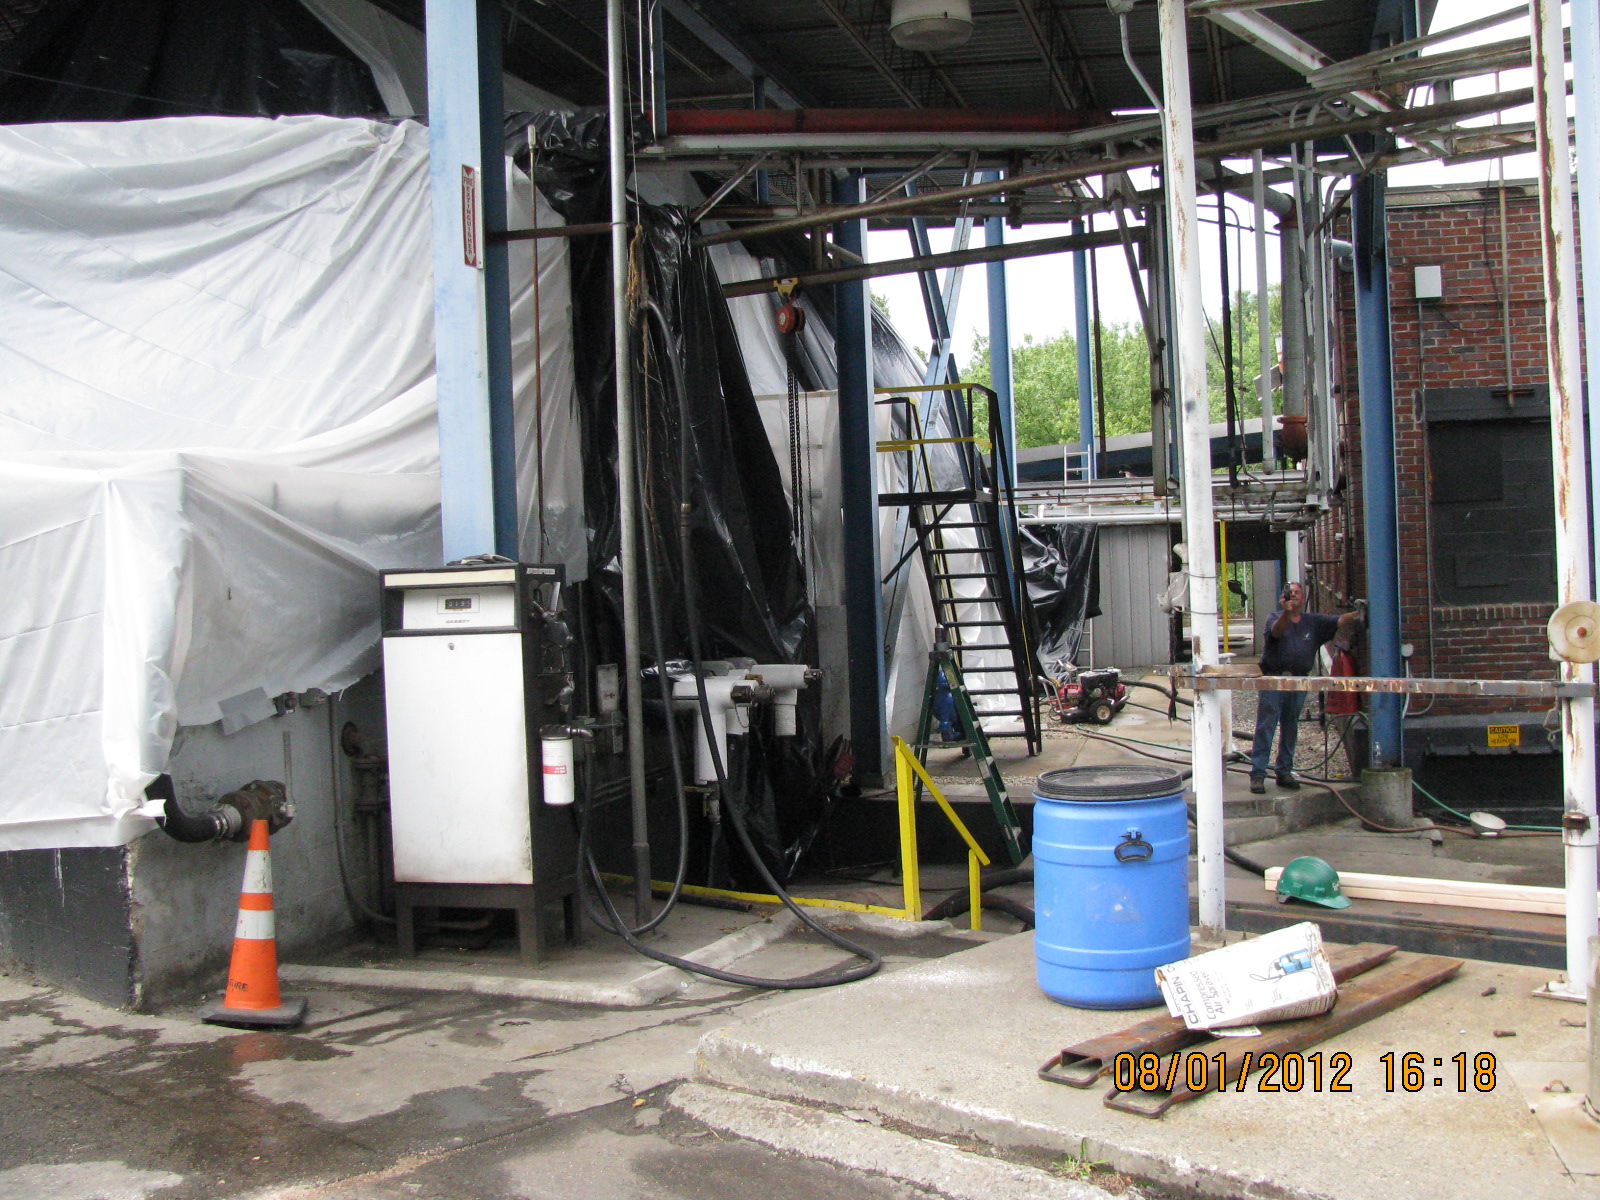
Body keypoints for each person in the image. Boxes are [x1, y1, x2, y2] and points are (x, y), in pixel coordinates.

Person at [1250, 582, 1362, 794]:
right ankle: (1258, 774)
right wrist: (1286, 613)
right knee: (1266, 726)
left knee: (1290, 726)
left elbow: (1340, 620)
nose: (1294, 596)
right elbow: (1276, 632)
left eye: (1297, 593)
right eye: (1290, 593)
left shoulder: (1314, 622)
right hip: (1274, 680)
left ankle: (1284, 771)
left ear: (1303, 597)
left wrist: (1362, 611)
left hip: (1299, 681)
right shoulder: (1274, 618)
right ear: (1283, 597)